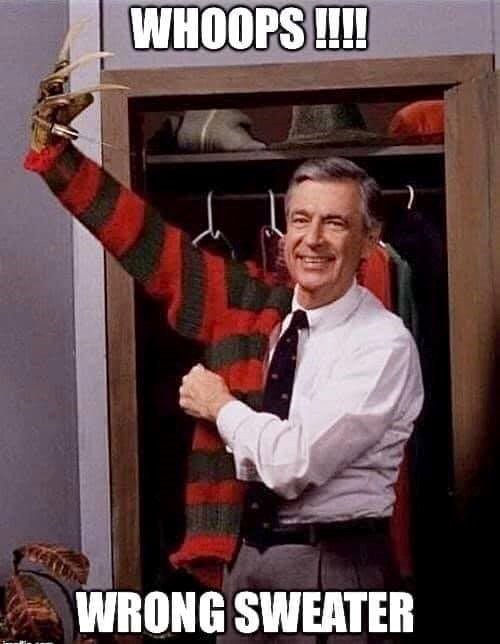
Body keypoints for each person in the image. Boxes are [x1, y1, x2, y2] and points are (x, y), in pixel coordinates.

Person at [26, 46, 423, 644]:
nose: (312, 239)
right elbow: (152, 246)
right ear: (283, 229)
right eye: (300, 220)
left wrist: (220, 406)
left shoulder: (383, 344)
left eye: (335, 223)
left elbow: (292, 465)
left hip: (334, 570)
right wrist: (61, 162)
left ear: (370, 241)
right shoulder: (253, 306)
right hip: (246, 565)